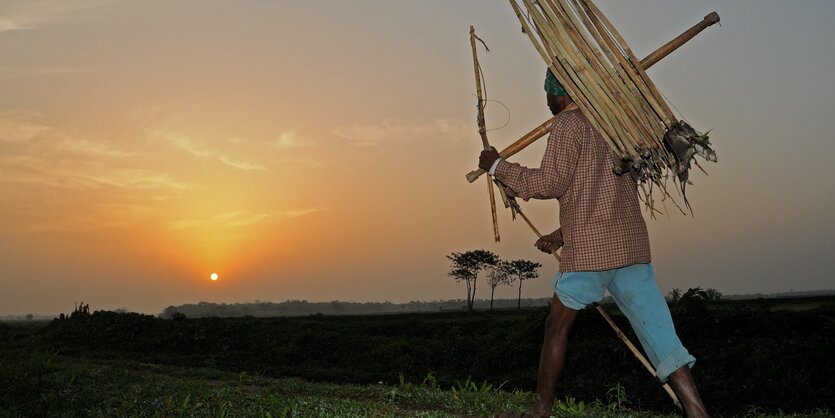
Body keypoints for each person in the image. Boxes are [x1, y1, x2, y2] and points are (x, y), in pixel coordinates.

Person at [478, 70, 709, 418]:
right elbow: (597, 193)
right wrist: (559, 235)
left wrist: (498, 166)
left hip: (590, 256)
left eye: (548, 95)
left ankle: (539, 412)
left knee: (556, 327)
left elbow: (551, 183)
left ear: (560, 94)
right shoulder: (615, 122)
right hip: (630, 248)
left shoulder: (568, 125)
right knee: (660, 335)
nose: (546, 102)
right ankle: (697, 412)